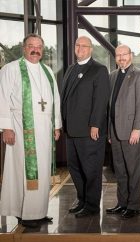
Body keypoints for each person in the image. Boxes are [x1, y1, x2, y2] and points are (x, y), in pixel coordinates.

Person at [0, 33, 62, 228]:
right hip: (20, 127)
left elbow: (55, 100)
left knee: (42, 171)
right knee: (23, 171)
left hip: (44, 128)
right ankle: (23, 214)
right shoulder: (11, 69)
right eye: (31, 46)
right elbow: (2, 98)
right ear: (23, 47)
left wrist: (56, 124)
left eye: (39, 46)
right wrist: (6, 127)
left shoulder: (47, 71)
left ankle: (39, 211)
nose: (35, 49)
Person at [61, 36, 110, 218]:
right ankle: (82, 199)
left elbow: (101, 100)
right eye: (77, 45)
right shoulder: (71, 69)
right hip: (71, 130)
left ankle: (91, 205)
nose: (80, 48)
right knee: (74, 168)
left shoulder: (99, 70)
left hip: (89, 131)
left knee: (91, 169)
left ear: (91, 49)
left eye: (84, 46)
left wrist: (95, 124)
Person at [106, 44, 140, 219]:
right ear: (115, 57)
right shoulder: (112, 76)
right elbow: (111, 106)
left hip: (133, 132)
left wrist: (137, 129)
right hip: (115, 133)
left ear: (131, 55)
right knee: (120, 171)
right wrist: (110, 132)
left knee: (134, 171)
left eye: (124, 54)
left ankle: (133, 206)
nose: (121, 58)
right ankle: (122, 203)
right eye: (118, 55)